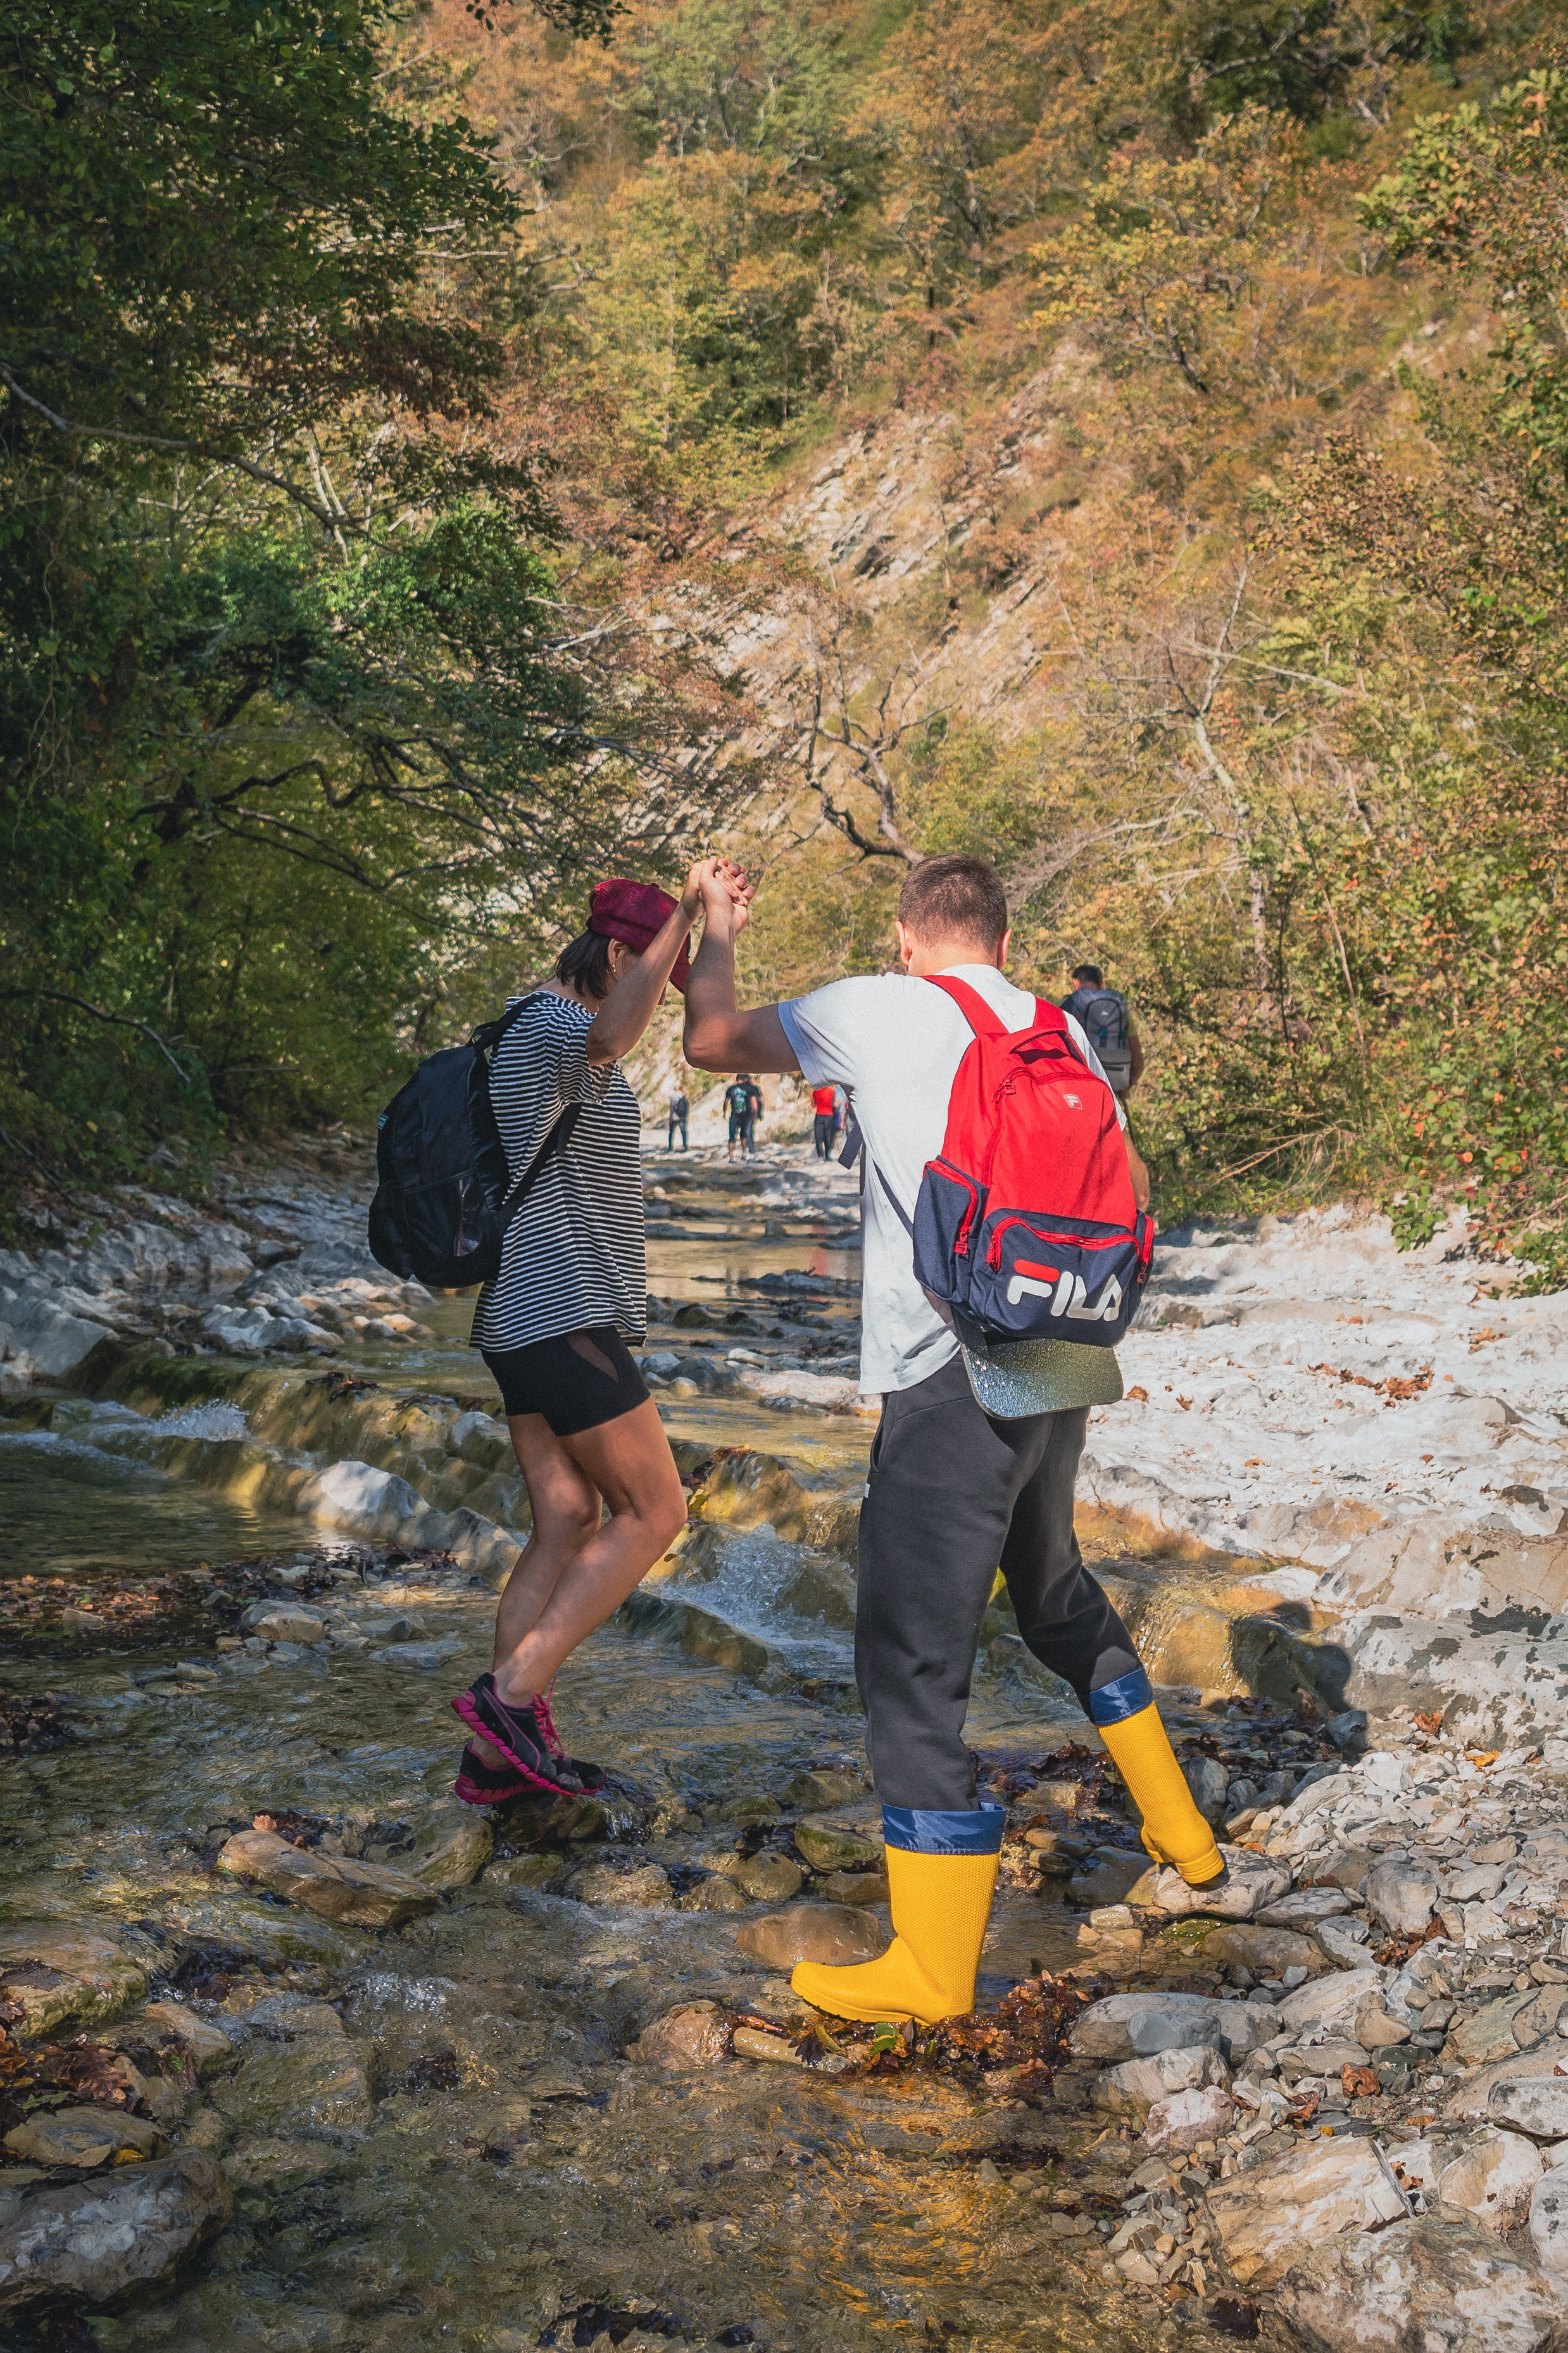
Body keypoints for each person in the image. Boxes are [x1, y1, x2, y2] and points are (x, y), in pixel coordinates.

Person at [682, 852, 1224, 2026]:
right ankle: (1184, 1835)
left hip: (947, 1374)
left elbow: (710, 1042)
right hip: (1062, 1352)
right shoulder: (1065, 1029)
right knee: (1052, 1592)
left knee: (909, 1667)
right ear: (1002, 935)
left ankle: (928, 1974)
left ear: (906, 936)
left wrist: (714, 922)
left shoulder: (877, 1008)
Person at [451, 862, 746, 1805]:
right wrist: (681, 924)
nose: (658, 1001)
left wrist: (721, 926)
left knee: (569, 1520)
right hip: (559, 1307)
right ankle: (508, 1698)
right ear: (618, 953)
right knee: (656, 1514)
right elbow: (614, 1030)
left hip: (529, 1314)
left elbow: (682, 1029)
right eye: (656, 977)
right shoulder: (548, 1026)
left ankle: (498, 1762)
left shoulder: (540, 1031)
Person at [1060, 962, 1143, 1097]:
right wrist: (1126, 1086)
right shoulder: (1121, 1011)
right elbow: (1137, 1055)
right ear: (1101, 984)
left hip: (1076, 1084)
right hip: (1112, 1084)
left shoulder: (1061, 1005)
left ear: (1075, 983)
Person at [724, 1072, 762, 1159]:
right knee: (744, 1135)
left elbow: (726, 1103)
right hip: (747, 1116)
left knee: (732, 1136)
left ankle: (731, 1158)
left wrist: (725, 1113)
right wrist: (756, 1114)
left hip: (735, 1115)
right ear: (746, 1079)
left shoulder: (731, 1089)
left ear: (736, 1079)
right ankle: (745, 1153)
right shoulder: (750, 1089)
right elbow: (754, 1103)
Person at [810, 1082, 838, 1160]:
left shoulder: (816, 1091)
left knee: (818, 1136)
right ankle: (827, 1155)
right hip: (829, 1115)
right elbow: (833, 1104)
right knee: (828, 1136)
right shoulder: (832, 1091)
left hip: (819, 1115)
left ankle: (820, 1155)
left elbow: (813, 1105)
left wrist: (820, 1105)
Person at [667, 1084, 689, 1152]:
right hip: (682, 1117)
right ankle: (685, 1146)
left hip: (675, 1117)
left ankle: (671, 1147)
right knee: (684, 1132)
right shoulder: (684, 1096)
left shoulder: (674, 1096)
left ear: (677, 1088)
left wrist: (670, 1117)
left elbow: (672, 1107)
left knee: (671, 1132)